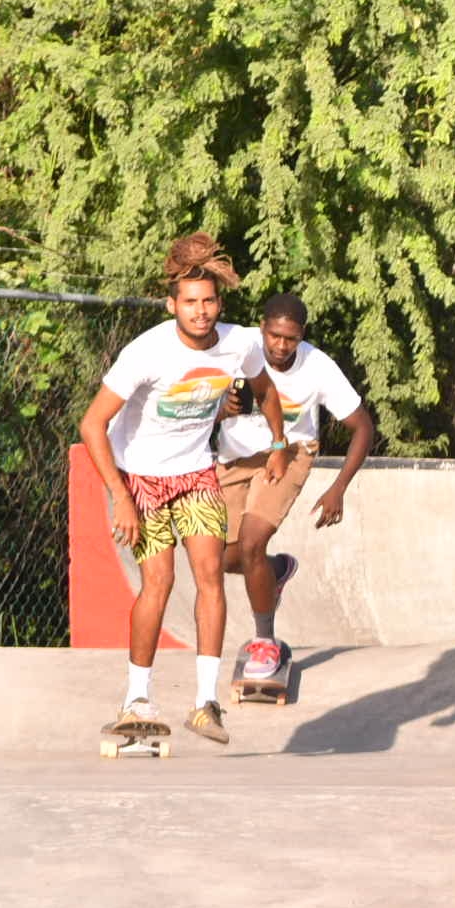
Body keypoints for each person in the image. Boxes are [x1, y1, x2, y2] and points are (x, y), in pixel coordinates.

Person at [77, 233, 291, 744]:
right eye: (190, 302)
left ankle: (205, 703)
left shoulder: (240, 343)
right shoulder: (146, 352)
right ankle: (137, 699)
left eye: (209, 301)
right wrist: (121, 495)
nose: (201, 311)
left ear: (220, 304)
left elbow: (266, 391)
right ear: (172, 305)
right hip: (142, 479)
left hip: (196, 473)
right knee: (159, 581)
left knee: (210, 576)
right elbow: (91, 425)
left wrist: (279, 443)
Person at [214, 293, 375, 681]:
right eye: (274, 336)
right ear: (261, 328)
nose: (282, 346)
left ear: (302, 335)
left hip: (289, 453)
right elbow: (194, 401)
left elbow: (362, 427)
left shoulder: (318, 366)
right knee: (219, 559)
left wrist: (338, 487)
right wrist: (221, 411)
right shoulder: (236, 347)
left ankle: (264, 642)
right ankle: (275, 571)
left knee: (251, 543)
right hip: (234, 458)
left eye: (291, 339)